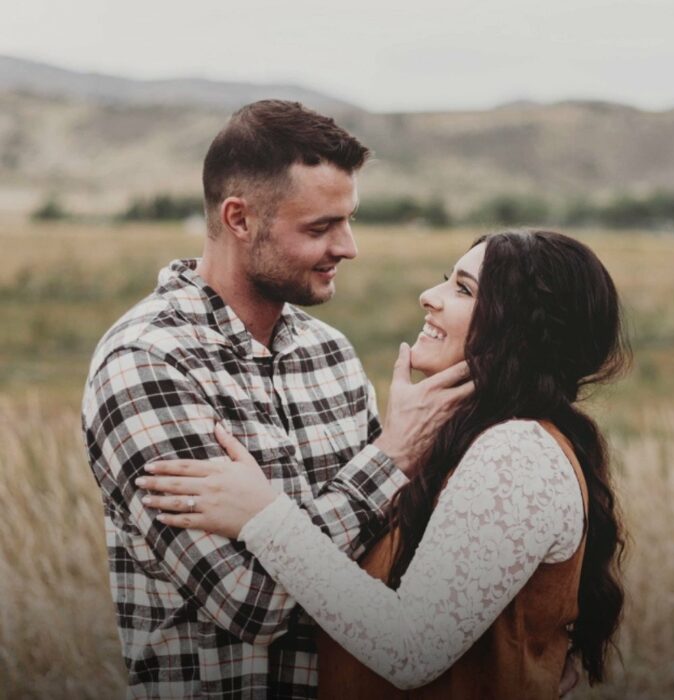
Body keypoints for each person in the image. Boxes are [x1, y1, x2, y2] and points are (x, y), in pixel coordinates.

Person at [82, 100, 472, 699]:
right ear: (239, 219)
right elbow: (248, 602)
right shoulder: (147, 365)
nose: (348, 247)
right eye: (319, 228)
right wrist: (389, 460)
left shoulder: (332, 355)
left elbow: (386, 561)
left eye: (347, 220)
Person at [139, 229, 628, 699]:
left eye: (463, 290)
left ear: (519, 330)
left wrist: (263, 515)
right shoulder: (479, 442)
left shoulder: (517, 453)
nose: (429, 296)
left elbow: (410, 647)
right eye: (446, 278)